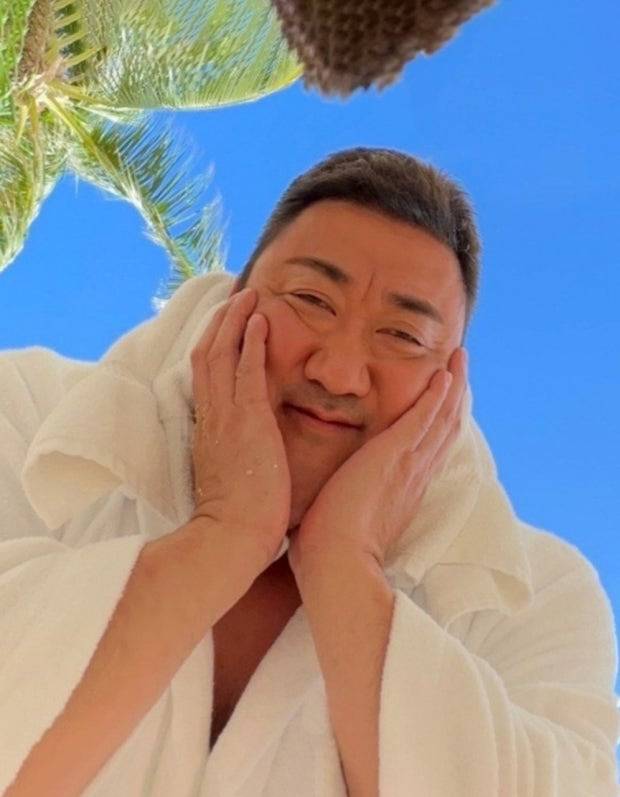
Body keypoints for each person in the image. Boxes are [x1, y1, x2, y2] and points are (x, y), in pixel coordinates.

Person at [1, 148, 618, 796]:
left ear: (450, 385)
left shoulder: (537, 594)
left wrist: (345, 564)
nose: (338, 372)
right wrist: (227, 533)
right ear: (233, 301)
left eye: (403, 335)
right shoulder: (32, 419)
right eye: (311, 299)